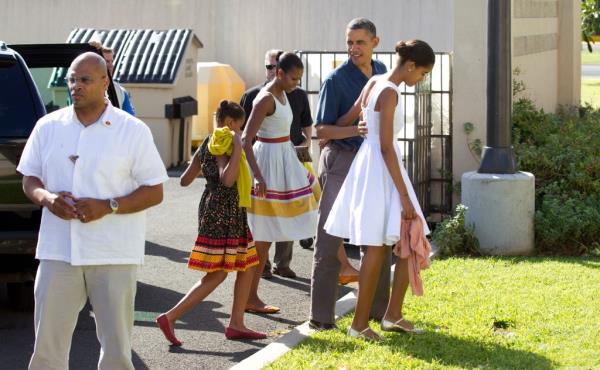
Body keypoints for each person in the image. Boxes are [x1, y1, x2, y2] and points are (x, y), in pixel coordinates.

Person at [18, 52, 168, 370]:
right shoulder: (48, 126)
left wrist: (109, 206)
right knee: (46, 348)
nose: (76, 85)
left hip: (113, 254)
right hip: (58, 252)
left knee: (116, 351)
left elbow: (155, 191)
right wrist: (47, 198)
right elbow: (29, 178)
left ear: (105, 82)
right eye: (72, 78)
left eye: (85, 79)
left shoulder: (133, 130)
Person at [325, 39, 435, 341]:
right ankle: (360, 324)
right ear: (411, 65)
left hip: (371, 164)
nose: (421, 80)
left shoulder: (375, 80)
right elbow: (386, 147)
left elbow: (350, 117)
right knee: (379, 245)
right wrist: (403, 195)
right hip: (381, 168)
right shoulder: (389, 91)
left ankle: (392, 315)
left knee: (407, 239)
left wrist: (340, 130)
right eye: (422, 73)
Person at [156, 100, 266, 344]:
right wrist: (237, 147)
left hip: (212, 207)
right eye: (240, 127)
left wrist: (209, 177)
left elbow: (185, 179)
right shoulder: (226, 142)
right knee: (216, 275)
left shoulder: (208, 141)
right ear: (229, 123)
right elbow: (228, 180)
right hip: (225, 211)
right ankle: (171, 316)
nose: (241, 131)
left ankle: (237, 323)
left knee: (247, 265)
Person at [309, 17, 389, 331]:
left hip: (372, 162)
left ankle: (378, 312)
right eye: (349, 42)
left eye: (360, 42)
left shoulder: (382, 72)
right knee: (329, 240)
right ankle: (321, 317)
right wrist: (353, 124)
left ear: (375, 43)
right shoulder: (335, 80)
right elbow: (321, 130)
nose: (354, 48)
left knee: (379, 238)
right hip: (341, 161)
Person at [242, 52, 318, 314]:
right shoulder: (264, 98)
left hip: (282, 161)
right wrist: (258, 176)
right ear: (280, 73)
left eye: (299, 78)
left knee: (270, 233)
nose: (297, 83)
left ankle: (251, 297)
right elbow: (245, 140)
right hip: (268, 167)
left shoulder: (285, 95)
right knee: (261, 237)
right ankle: (249, 298)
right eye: (294, 78)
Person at [89, 41, 136, 116]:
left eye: (111, 61)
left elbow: (130, 118)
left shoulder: (121, 91)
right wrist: (90, 48)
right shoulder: (84, 86)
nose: (111, 65)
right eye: (107, 61)